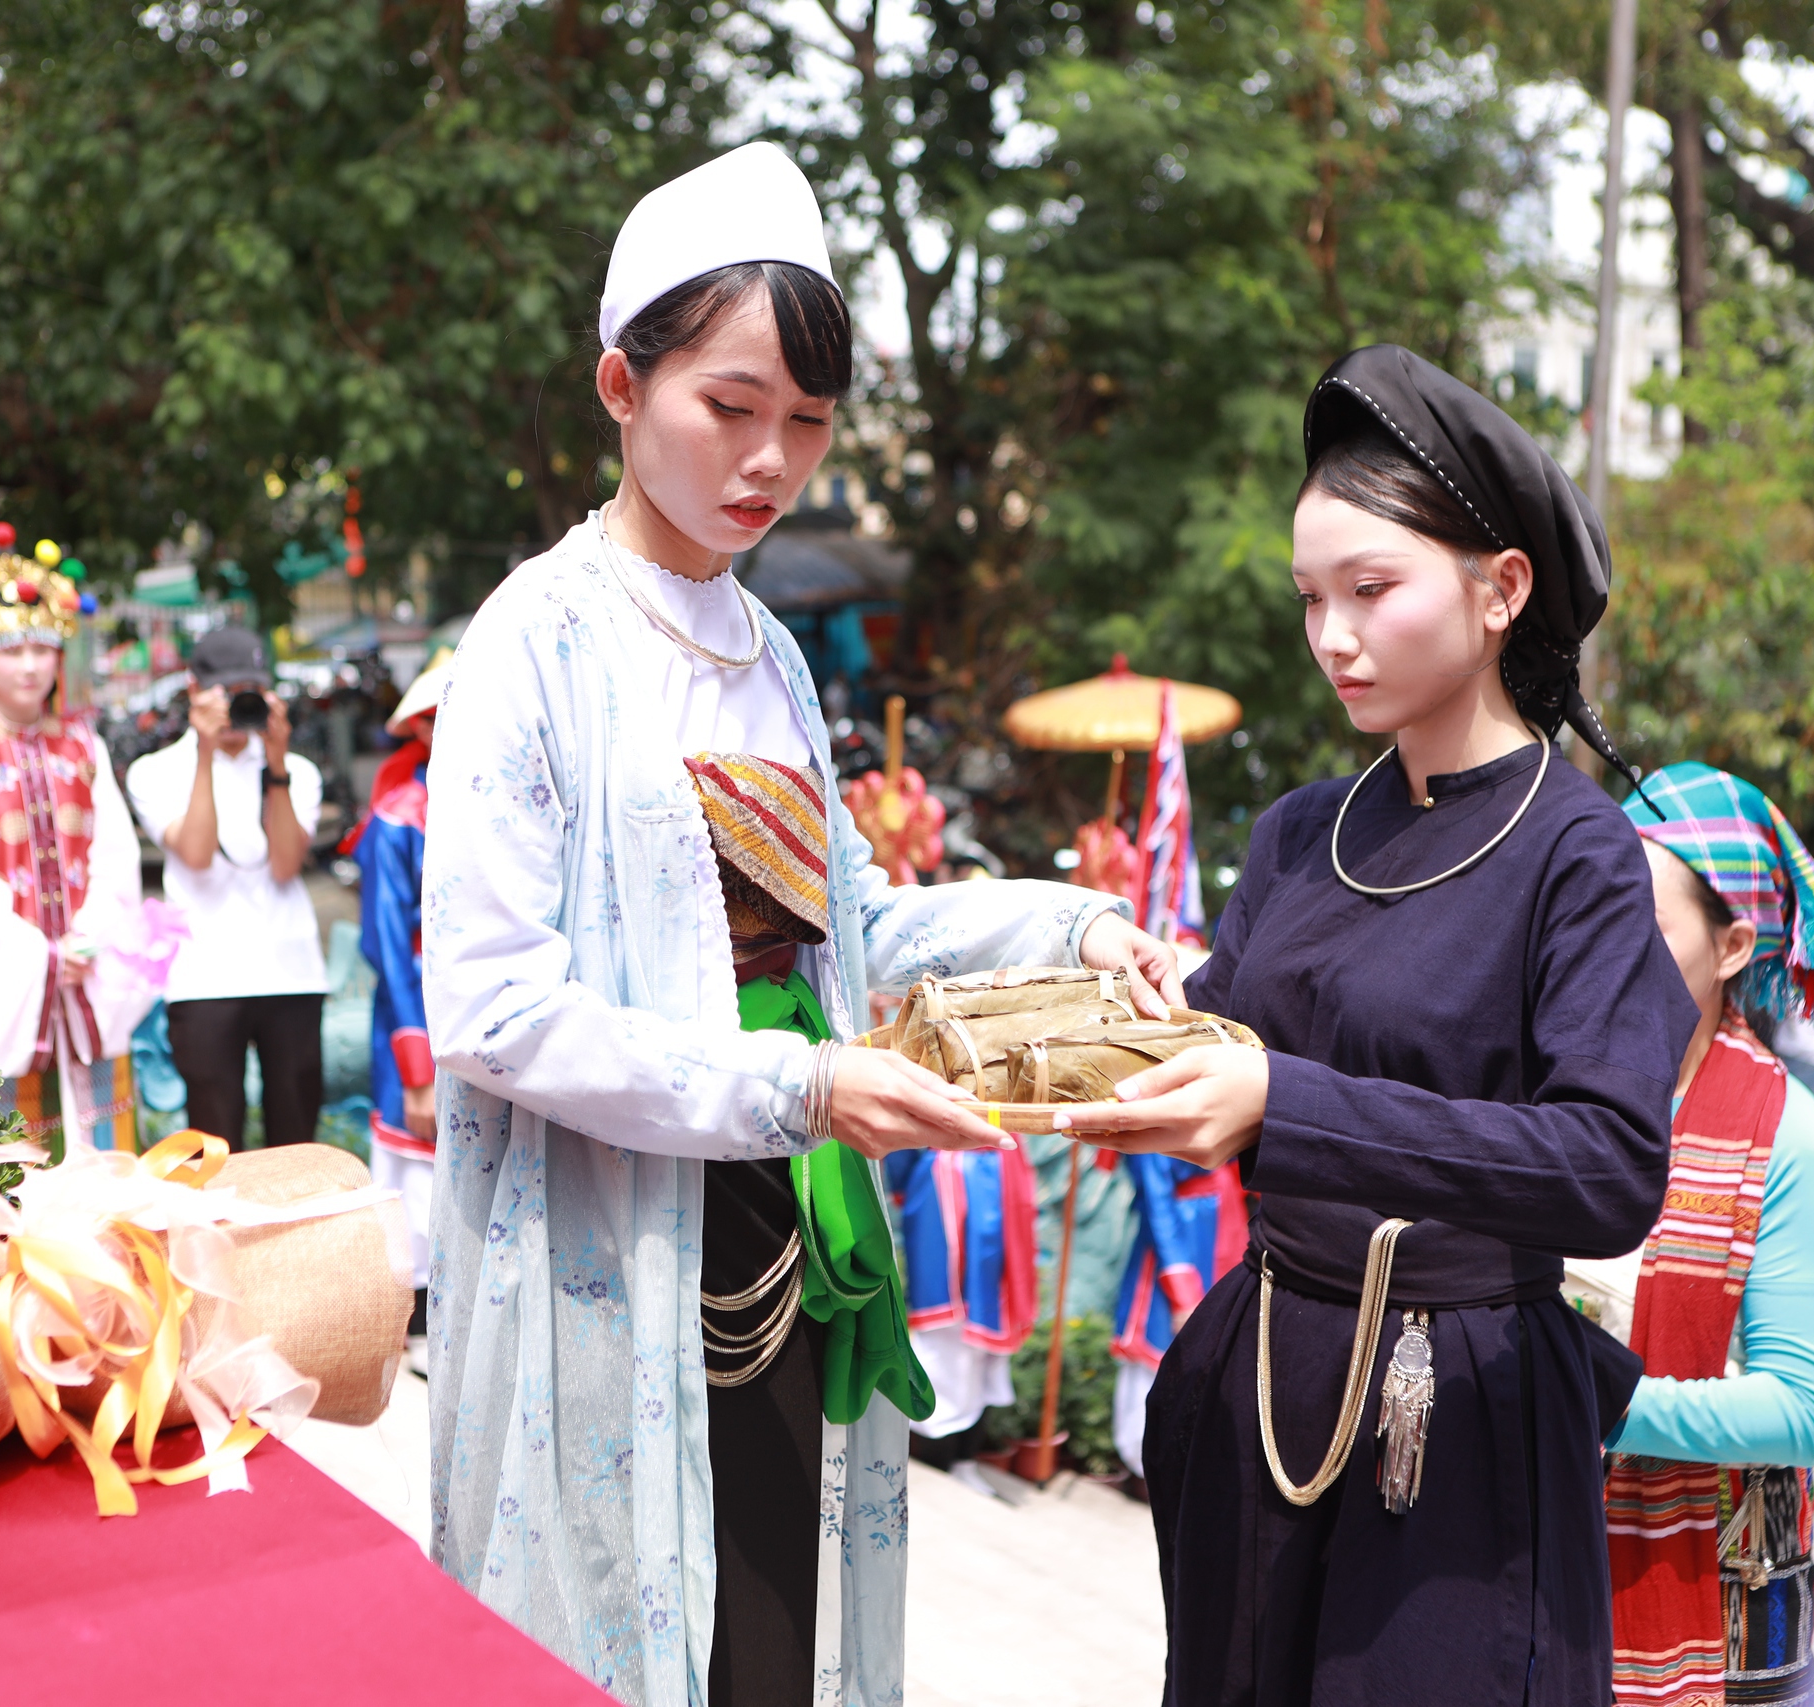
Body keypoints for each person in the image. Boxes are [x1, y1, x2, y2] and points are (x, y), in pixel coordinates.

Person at [420, 140, 1185, 1707]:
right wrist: (803, 1083)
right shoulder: (532, 643)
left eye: (810, 421)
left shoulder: (771, 651)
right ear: (620, 384)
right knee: (602, 1638)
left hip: (778, 1226)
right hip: (606, 1239)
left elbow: (849, 927)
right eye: (731, 405)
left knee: (763, 1635)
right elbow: (493, 1009)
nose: (770, 460)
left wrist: (1073, 929)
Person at [1059, 345, 1700, 1707]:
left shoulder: (1576, 852)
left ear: (1500, 589)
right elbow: (1223, 1047)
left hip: (1452, 1418)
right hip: (1261, 1377)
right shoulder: (1303, 829)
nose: (1332, 636)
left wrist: (1280, 1102)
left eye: (1370, 590)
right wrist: (1119, 1025)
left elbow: (1607, 1167)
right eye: (1311, 598)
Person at [1585, 762, 1814, 1707]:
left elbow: (1804, 1407)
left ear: (1733, 945)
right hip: (1546, 1570)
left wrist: (1600, 1400)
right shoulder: (1552, 1100)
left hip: (1726, 1613)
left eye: (1643, 923)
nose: (1604, 948)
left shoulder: (1790, 1139)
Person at [0, 529, 151, 1152]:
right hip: (4, 997)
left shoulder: (84, 748)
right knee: (9, 1173)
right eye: (12, 650)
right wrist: (40, 957)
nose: (31, 665)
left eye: (43, 648)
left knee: (105, 1172)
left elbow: (116, 863)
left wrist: (85, 943)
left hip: (88, 988)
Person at [125, 625, 326, 1148]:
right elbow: (195, 854)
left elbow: (285, 864)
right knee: (214, 1147)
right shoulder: (154, 771)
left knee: (296, 1143)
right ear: (194, 689)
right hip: (204, 977)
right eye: (226, 690)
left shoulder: (297, 770)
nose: (238, 704)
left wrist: (276, 762)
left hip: (290, 972)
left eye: (249, 690)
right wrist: (205, 754)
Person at [345, 649, 447, 1323]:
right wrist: (416, 1072)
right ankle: (416, 1328)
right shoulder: (399, 815)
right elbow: (386, 942)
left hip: (487, 1012)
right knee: (418, 1186)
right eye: (438, 717)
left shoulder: (506, 797)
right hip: (420, 1014)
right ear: (420, 728)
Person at [883, 1140, 1037, 1477]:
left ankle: (962, 1459)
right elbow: (901, 1146)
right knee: (946, 1325)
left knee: (987, 1330)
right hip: (950, 1186)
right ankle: (935, 1452)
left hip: (1001, 1181)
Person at [1108, 1154, 1245, 1485]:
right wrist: (1181, 1288)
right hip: (1182, 1236)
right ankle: (1149, 1469)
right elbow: (1158, 1202)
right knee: (1160, 1357)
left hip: (1221, 1227)